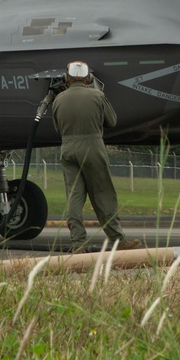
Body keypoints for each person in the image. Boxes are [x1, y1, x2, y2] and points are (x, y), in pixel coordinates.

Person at [52, 61, 140, 252]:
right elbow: (112, 121)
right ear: (88, 78)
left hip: (67, 148)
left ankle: (78, 243)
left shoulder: (58, 99)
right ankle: (118, 240)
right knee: (103, 193)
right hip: (92, 146)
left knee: (74, 196)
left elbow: (57, 127)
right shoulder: (97, 95)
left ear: (66, 78)